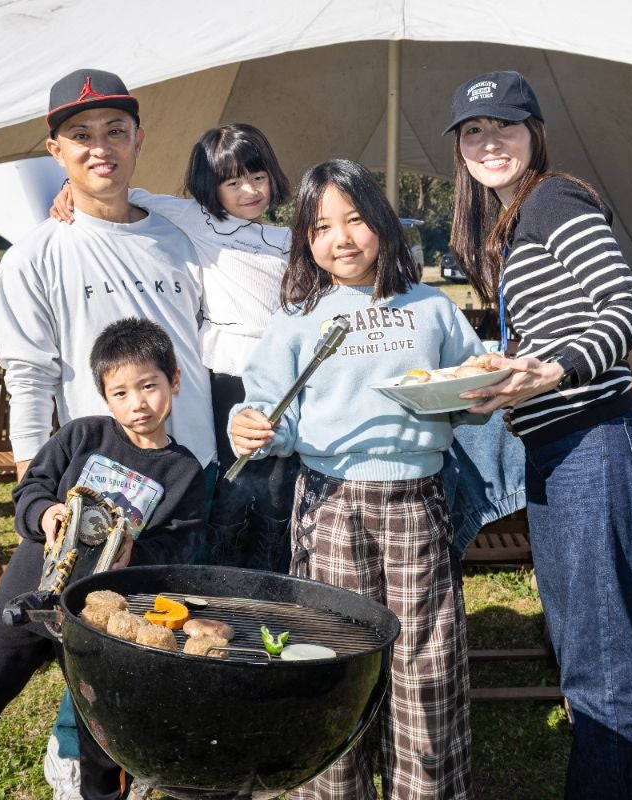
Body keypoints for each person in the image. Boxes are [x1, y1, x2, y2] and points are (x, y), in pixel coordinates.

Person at [229, 158, 484, 800]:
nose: (340, 239)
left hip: (417, 503)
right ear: (304, 240)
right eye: (320, 226)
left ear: (383, 223)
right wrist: (250, 425)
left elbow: (470, 382)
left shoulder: (431, 307)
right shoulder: (299, 314)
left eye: (355, 219)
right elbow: (267, 403)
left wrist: (478, 389)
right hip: (330, 505)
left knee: (423, 663)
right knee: (333, 659)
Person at [0, 68, 215, 799]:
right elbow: (28, 377)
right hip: (100, 484)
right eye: (81, 137)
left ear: (140, 138)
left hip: (189, 470)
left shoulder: (180, 232)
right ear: (54, 150)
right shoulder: (35, 255)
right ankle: (73, 752)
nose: (100, 148)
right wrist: (38, 495)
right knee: (90, 619)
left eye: (115, 132)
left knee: (165, 619)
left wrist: (136, 198)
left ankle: (149, 752)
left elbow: (234, 220)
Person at [445, 70, 632, 798]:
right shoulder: (515, 220)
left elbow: (629, 306)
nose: (489, 140)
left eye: (505, 125)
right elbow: (552, 337)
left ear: (535, 132)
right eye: (473, 131)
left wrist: (556, 369)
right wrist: (502, 380)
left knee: (599, 659)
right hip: (556, 446)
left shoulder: (555, 198)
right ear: (460, 150)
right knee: (578, 651)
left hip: (593, 439)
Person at [0, 318, 206, 800]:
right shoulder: (82, 436)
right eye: (121, 393)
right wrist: (45, 514)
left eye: (149, 386)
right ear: (105, 398)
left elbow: (181, 546)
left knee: (102, 731)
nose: (138, 404)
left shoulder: (184, 472)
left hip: (102, 617)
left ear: (173, 379)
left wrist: (138, 552)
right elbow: (31, 489)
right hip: (28, 592)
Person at [51, 123, 298, 571]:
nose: (249, 190)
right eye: (232, 181)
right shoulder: (201, 222)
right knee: (235, 492)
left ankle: (274, 577)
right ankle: (227, 582)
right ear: (211, 188)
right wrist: (70, 186)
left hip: (285, 376)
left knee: (280, 494)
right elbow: (136, 194)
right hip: (230, 378)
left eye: (258, 177)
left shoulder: (288, 242)